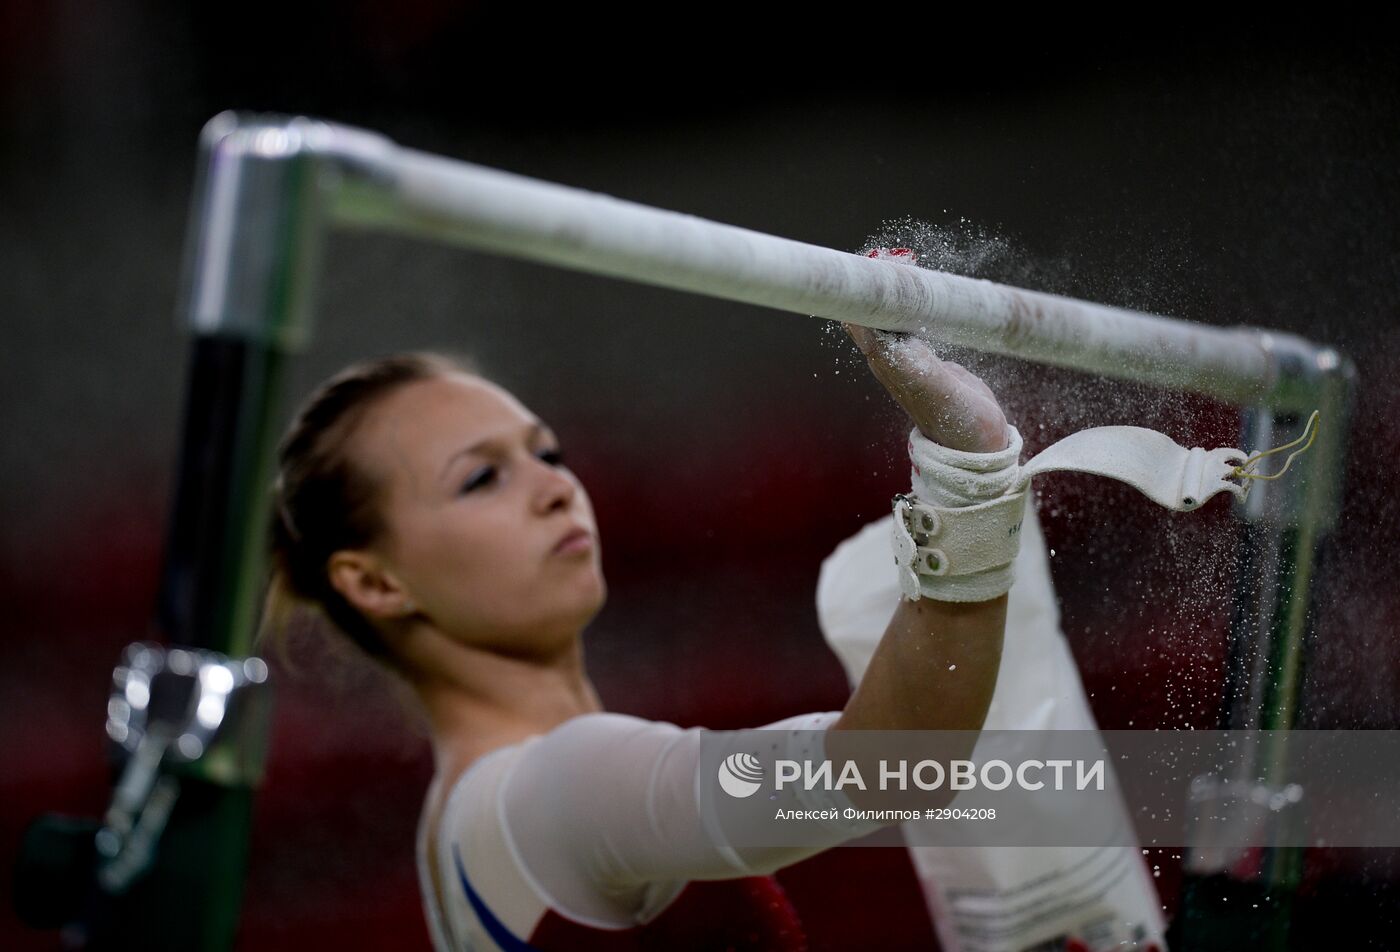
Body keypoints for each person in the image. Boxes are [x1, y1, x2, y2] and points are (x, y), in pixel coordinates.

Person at [257, 320, 1023, 950]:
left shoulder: (469, 818)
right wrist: (970, 476)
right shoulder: (556, 787)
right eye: (481, 479)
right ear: (376, 583)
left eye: (546, 453)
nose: (556, 488)